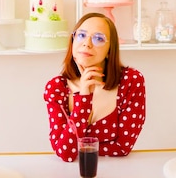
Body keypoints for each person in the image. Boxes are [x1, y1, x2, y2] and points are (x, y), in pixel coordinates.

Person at [43, 12, 146, 162]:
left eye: (98, 39)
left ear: (110, 50)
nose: (87, 43)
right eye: (81, 35)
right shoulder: (56, 88)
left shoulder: (131, 81)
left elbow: (123, 147)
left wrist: (79, 149)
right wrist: (83, 97)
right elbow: (65, 153)